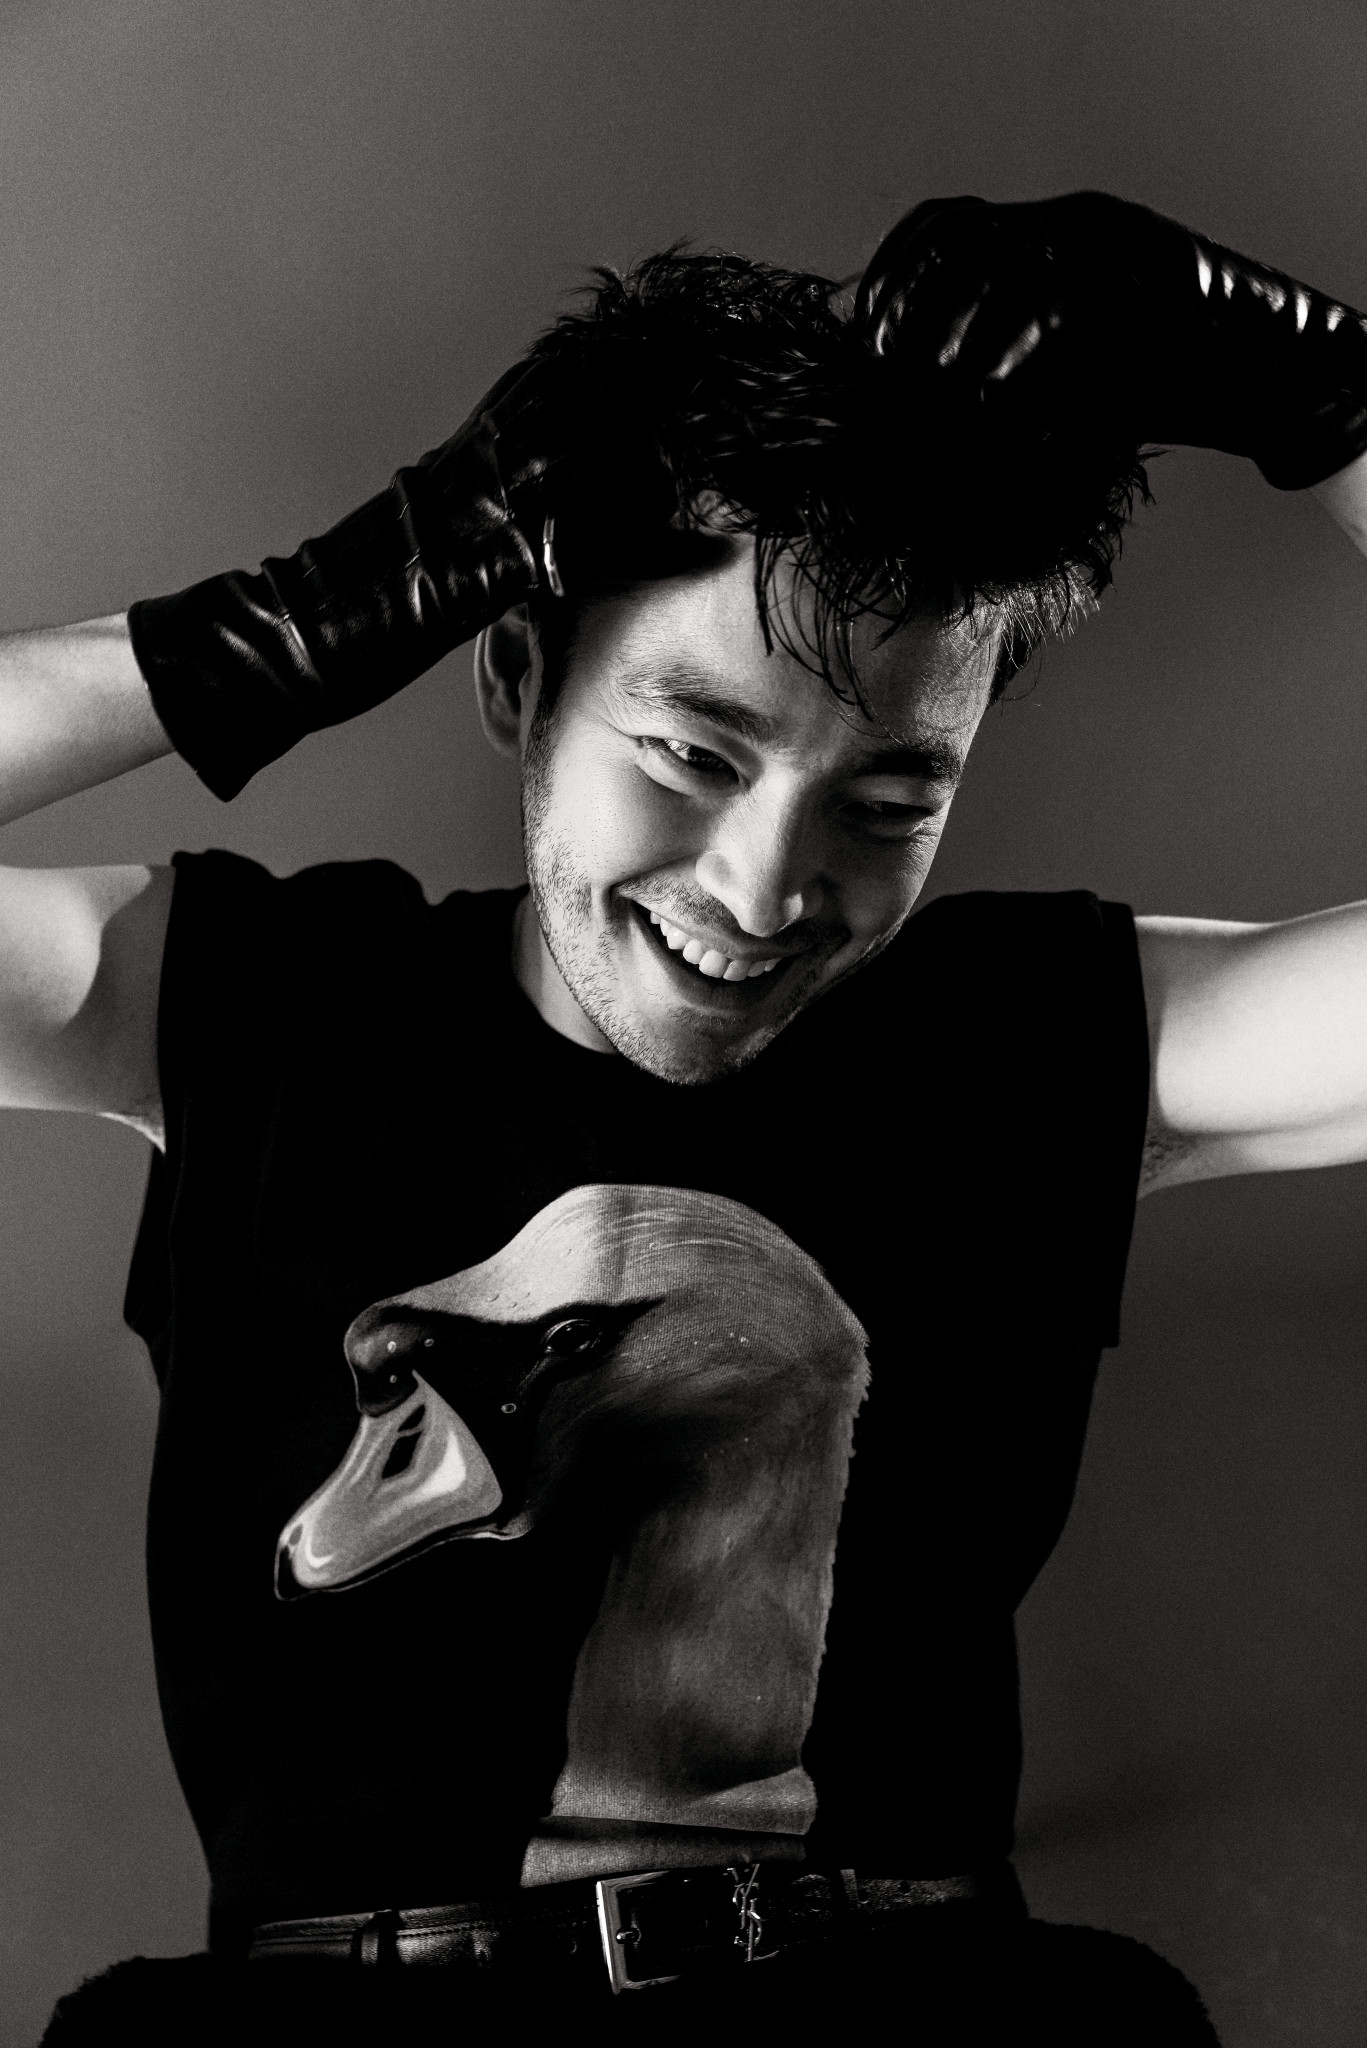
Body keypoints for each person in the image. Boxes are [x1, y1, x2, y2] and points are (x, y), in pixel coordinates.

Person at [21, 194, 1367, 2044]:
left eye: (888, 804)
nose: (760, 890)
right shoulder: (252, 1004)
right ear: (515, 677)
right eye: (690, 752)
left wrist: (1323, 394)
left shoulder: (1036, 1040)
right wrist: (280, 629)